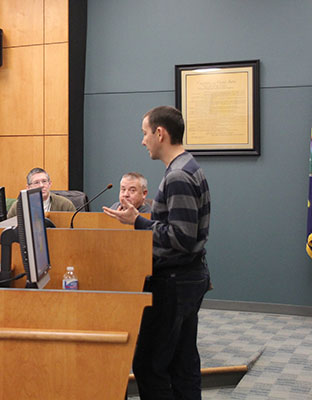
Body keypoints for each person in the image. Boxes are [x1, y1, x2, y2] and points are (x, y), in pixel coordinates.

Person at [103, 106, 211, 400]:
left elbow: (181, 238)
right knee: (182, 363)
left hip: (175, 282)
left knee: (150, 366)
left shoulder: (177, 175)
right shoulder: (188, 165)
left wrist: (136, 221)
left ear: (160, 133)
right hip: (188, 277)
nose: (143, 140)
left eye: (145, 133)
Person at [7, 167, 76, 218]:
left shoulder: (65, 205)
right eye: (36, 182)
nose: (41, 185)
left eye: (44, 181)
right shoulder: (19, 206)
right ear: (28, 188)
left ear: (50, 184)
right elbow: (7, 230)